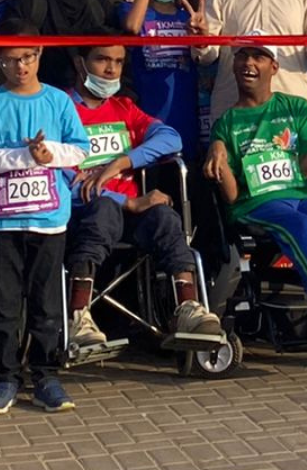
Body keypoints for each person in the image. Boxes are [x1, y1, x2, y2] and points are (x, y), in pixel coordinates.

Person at [0, 19, 90, 415]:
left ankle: (46, 374)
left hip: (48, 220)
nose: (21, 67)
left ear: (39, 56)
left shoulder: (58, 101)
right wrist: (22, 156)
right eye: (13, 59)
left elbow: (81, 149)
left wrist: (50, 155)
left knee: (46, 303)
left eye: (29, 58)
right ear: (0, 61)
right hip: (1, 222)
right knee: (3, 304)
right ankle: (4, 377)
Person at [203, 43, 307, 334]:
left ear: (274, 67)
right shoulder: (225, 123)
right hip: (256, 203)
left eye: (259, 57)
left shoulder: (296, 108)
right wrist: (217, 152)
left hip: (301, 193)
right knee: (301, 225)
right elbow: (231, 196)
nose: (248, 63)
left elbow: (306, 170)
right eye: (242, 56)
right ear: (233, 67)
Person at [63, 43, 223, 347]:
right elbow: (60, 175)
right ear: (80, 63)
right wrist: (128, 200)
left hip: (133, 216)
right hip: (85, 213)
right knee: (104, 208)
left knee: (164, 215)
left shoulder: (124, 108)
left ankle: (187, 308)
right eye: (102, 59)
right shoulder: (61, 108)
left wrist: (122, 162)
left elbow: (170, 139)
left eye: (119, 62)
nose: (111, 69)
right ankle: (77, 315)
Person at [120, 0, 206, 158]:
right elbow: (132, 27)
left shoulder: (188, 16)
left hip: (186, 116)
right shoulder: (129, 10)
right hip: (148, 117)